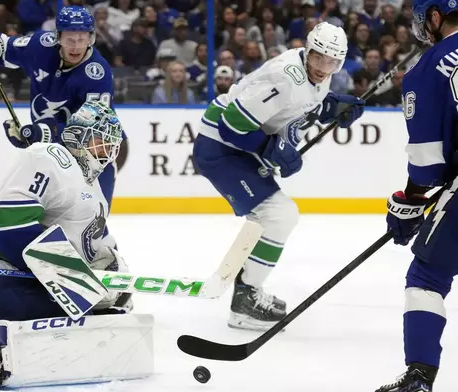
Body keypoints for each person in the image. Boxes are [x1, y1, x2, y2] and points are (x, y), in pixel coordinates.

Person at [0, 101, 133, 388]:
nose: (107, 151)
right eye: (100, 141)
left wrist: (113, 276)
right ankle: (0, 349)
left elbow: (93, 243)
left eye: (110, 144)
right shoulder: (49, 157)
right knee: (93, 326)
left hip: (18, 285)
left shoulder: (90, 186)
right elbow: (4, 224)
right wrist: (76, 281)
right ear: (78, 136)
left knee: (109, 315)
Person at [192, 21, 365, 330]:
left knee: (274, 217)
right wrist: (271, 149)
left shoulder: (314, 72)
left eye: (333, 61)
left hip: (236, 148)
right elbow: (231, 124)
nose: (324, 68)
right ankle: (245, 302)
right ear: (308, 51)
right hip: (221, 148)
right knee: (279, 215)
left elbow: (301, 104)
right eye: (319, 58)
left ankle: (247, 289)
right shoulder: (285, 78)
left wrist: (333, 107)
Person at [376, 0, 458, 390]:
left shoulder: (428, 67)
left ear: (437, 18)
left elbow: (427, 164)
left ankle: (419, 379)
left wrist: (408, 204)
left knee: (427, 276)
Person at [0, 5, 122, 209]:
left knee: (88, 230)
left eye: (82, 39)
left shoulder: (98, 74)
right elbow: (5, 48)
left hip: (92, 160)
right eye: (69, 39)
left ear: (91, 38)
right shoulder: (41, 44)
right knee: (43, 228)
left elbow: (93, 131)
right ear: (58, 37)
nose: (76, 46)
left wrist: (44, 133)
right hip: (50, 156)